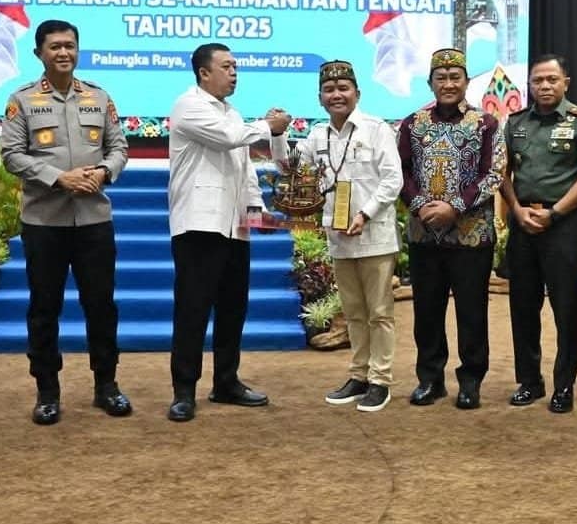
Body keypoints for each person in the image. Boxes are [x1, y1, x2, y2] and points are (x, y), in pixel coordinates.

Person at [0, 19, 131, 426]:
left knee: (102, 306)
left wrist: (104, 172)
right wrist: (58, 178)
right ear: (39, 53)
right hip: (45, 222)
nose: (63, 53)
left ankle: (106, 385)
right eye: (55, 46)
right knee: (44, 308)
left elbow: (119, 147)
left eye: (70, 46)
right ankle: (47, 392)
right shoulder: (22, 101)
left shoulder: (99, 97)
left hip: (94, 220)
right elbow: (11, 155)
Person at [166, 42, 291, 422]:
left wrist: (257, 214)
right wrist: (268, 127)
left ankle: (226, 381)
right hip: (199, 224)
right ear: (204, 73)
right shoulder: (188, 105)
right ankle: (184, 391)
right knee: (193, 309)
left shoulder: (232, 113)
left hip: (235, 227)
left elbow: (245, 171)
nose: (234, 72)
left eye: (236, 66)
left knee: (233, 308)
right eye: (226, 66)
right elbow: (226, 137)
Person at [270, 60, 402, 412]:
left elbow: (393, 180)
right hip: (339, 235)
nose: (336, 95)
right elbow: (289, 169)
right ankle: (358, 375)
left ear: (357, 93)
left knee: (379, 312)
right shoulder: (318, 135)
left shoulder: (376, 129)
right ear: (320, 98)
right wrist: (278, 136)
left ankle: (380, 380)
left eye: (343, 88)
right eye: (329, 90)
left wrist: (365, 213)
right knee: (353, 312)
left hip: (373, 233)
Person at [398, 47, 505, 410]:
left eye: (454, 77)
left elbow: (493, 174)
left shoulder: (485, 124)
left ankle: (471, 381)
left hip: (471, 235)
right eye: (440, 78)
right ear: (430, 83)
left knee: (472, 312)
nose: (448, 84)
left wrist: (454, 206)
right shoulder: (412, 124)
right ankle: (430, 379)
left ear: (466, 81)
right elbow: (400, 172)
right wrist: (419, 205)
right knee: (427, 312)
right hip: (424, 233)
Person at [501, 54, 577, 413]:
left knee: (565, 306)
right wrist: (516, 210)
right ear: (529, 85)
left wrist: (554, 213)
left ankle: (564, 385)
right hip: (523, 220)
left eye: (551, 80)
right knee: (523, 305)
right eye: (537, 81)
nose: (544, 86)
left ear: (565, 83)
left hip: (565, 224)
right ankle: (530, 381)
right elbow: (502, 173)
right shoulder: (515, 123)